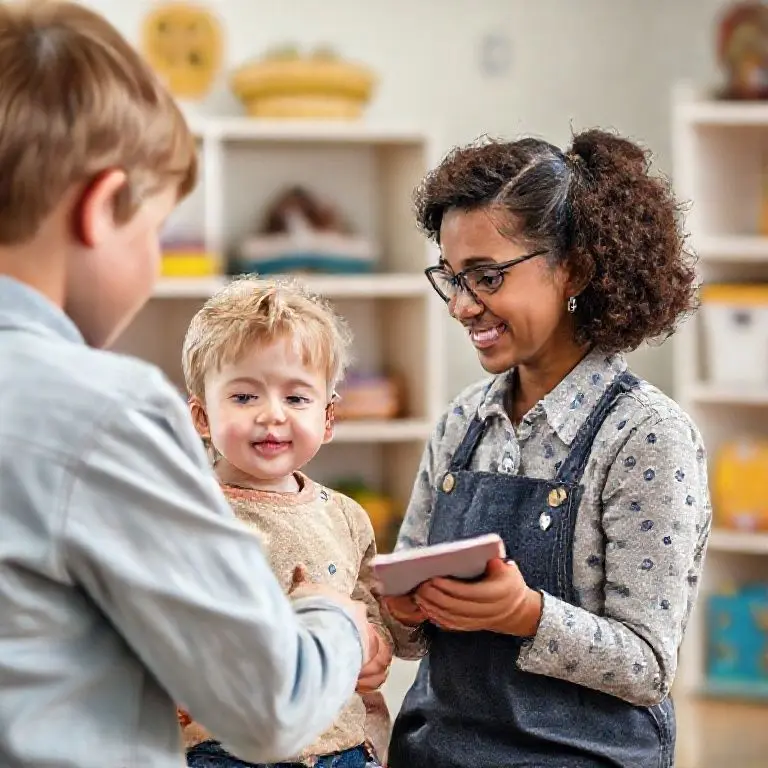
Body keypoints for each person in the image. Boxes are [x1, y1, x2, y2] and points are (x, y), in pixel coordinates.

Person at [0, 3, 371, 767]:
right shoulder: (104, 413)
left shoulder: (341, 515)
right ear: (102, 209)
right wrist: (330, 616)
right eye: (156, 232)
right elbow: (272, 704)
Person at [384, 130, 711, 768]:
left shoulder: (646, 436)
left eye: (486, 277)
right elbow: (408, 635)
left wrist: (526, 615)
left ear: (575, 270)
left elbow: (646, 665)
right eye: (450, 279)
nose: (460, 306)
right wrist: (398, 611)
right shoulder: (462, 423)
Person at [177, 276, 394, 768]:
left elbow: (368, 612)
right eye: (244, 397)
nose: (272, 415)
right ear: (202, 416)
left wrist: (373, 648)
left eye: (296, 399)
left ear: (329, 417)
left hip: (338, 748)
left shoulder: (345, 516)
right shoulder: (187, 513)